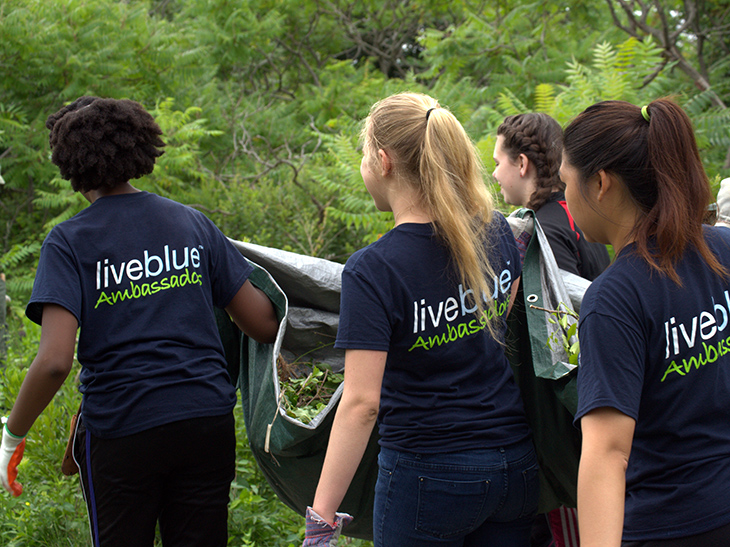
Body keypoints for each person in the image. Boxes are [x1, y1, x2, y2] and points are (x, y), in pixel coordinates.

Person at [0, 97, 279, 546]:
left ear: (68, 165)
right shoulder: (192, 224)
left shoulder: (68, 242)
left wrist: (12, 435)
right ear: (139, 147)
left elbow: (55, 361)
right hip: (205, 420)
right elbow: (263, 323)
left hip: (122, 428)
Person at [302, 92, 539, 547]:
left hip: (429, 476)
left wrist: (323, 517)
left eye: (364, 156)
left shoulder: (374, 269)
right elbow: (498, 325)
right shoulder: (497, 231)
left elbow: (361, 404)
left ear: (385, 161)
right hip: (514, 466)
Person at [561, 99, 730, 546]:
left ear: (600, 183)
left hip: (670, 525)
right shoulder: (725, 250)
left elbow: (607, 454)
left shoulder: (615, 299)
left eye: (565, 183)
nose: (565, 199)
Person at [493, 112, 610, 281]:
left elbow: (560, 305)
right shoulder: (580, 213)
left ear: (521, 163)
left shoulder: (543, 232)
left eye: (497, 163)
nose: (494, 174)